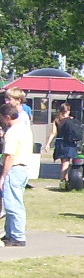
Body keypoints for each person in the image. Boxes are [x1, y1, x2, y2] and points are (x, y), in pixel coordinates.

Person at [0, 103, 35, 247]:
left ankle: (18, 235)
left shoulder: (12, 132)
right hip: (23, 168)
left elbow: (9, 156)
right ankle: (10, 233)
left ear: (7, 117)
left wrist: (3, 175)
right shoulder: (25, 128)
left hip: (14, 169)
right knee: (13, 202)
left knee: (13, 204)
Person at [45, 103, 82, 184]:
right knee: (66, 163)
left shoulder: (57, 120)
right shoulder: (71, 120)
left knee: (63, 162)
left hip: (59, 142)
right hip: (68, 143)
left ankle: (66, 180)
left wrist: (48, 144)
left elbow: (53, 133)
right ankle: (62, 181)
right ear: (68, 110)